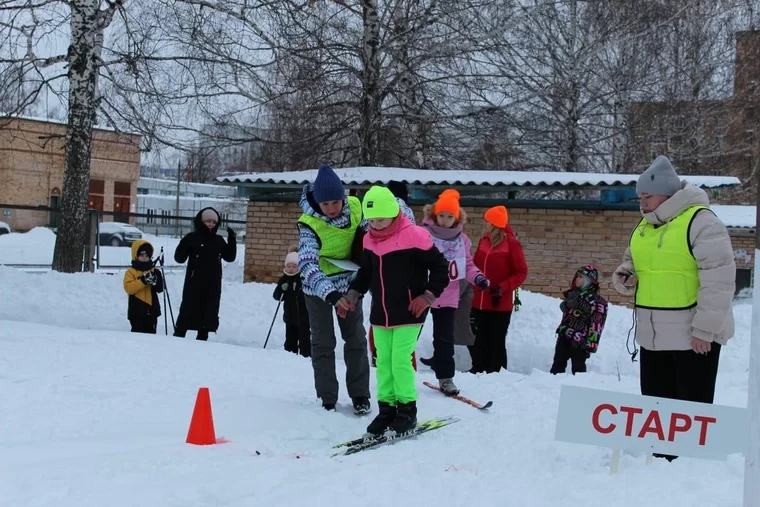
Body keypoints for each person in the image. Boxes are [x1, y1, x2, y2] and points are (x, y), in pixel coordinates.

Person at [611, 155, 736, 462]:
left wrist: (705, 330)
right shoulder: (644, 227)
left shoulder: (702, 222)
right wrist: (624, 278)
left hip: (694, 337)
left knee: (689, 413)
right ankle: (659, 465)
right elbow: (631, 263)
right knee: (657, 409)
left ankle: (688, 475)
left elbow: (719, 281)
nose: (642, 203)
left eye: (647, 197)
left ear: (667, 194)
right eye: (639, 198)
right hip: (653, 336)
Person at [345, 186, 449, 435]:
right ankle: (387, 409)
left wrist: (428, 296)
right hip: (381, 312)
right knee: (383, 361)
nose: (376, 225)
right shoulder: (369, 239)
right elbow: (366, 273)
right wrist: (353, 293)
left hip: (410, 310)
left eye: (381, 219)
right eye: (371, 220)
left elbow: (440, 269)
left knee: (400, 360)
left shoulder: (414, 236)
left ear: (393, 213)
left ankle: (407, 410)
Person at [297, 164, 372, 413]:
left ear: (343, 197)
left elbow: (390, 212)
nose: (330, 208)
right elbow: (306, 264)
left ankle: (360, 395)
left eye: (335, 202)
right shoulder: (309, 224)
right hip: (318, 289)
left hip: (350, 284)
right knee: (323, 342)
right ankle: (327, 397)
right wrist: (330, 294)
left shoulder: (357, 208)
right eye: (325, 203)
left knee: (356, 340)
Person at [419, 189, 489, 394]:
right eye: (441, 215)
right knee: (409, 335)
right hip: (423, 292)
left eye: (450, 216)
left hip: (449, 294)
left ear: (457, 217)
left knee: (444, 338)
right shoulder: (422, 234)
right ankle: (399, 372)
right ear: (434, 215)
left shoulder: (462, 240)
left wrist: (478, 277)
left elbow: (467, 264)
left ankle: (446, 379)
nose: (445, 220)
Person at [469, 205, 528, 373]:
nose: (485, 224)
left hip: (499, 301)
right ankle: (478, 368)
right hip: (480, 299)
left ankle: (497, 372)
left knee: (496, 339)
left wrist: (503, 287)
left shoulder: (511, 243)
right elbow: (474, 265)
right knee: (480, 337)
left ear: (495, 224)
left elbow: (521, 272)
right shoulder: (484, 240)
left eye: (488, 221)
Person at [368, 179, 418, 369]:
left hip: (381, 272)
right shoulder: (408, 213)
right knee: (404, 326)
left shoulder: (383, 208)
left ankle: (378, 355)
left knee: (380, 316)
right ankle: (406, 364)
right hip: (404, 278)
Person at [173, 207, 237, 341]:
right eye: (208, 221)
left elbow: (229, 257)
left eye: (214, 222)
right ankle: (178, 337)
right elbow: (179, 258)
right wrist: (183, 245)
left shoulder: (218, 240)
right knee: (188, 309)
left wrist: (232, 239)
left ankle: (203, 339)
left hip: (212, 284)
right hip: (194, 283)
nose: (211, 224)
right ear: (201, 221)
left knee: (208, 312)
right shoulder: (192, 238)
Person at [550, 265, 608, 375]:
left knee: (578, 369)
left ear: (589, 280)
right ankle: (553, 388)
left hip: (580, 340)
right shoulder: (573, 294)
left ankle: (578, 389)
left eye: (581, 277)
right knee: (557, 366)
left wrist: (591, 344)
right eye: (577, 276)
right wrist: (566, 305)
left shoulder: (597, 301)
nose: (577, 279)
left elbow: (597, 324)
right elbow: (565, 315)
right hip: (565, 335)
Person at [272, 250, 311, 357]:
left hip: (302, 318)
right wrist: (281, 288)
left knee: (304, 341)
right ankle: (289, 358)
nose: (290, 269)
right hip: (289, 318)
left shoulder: (302, 279)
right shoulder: (283, 279)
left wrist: (299, 290)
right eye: (288, 266)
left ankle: (306, 357)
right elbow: (276, 296)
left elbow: (307, 297)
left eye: (294, 266)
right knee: (290, 341)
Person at [123, 239, 164, 334]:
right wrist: (143, 280)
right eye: (142, 255)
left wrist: (156, 280)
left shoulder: (154, 271)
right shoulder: (131, 272)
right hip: (136, 311)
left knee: (151, 334)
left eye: (147, 256)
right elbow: (129, 288)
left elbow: (160, 289)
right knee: (137, 335)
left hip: (152, 310)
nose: (144, 258)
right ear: (136, 255)